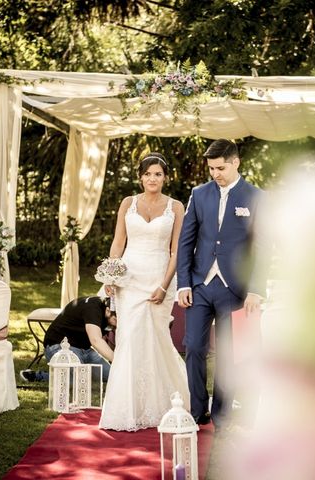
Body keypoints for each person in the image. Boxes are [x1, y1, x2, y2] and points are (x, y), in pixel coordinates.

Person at [177, 139, 266, 430]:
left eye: (221, 167)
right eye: (212, 168)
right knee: (193, 347)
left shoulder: (256, 197)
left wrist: (255, 288)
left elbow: (262, 247)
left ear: (235, 162)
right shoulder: (198, 194)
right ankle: (197, 409)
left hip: (235, 289)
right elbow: (186, 241)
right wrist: (183, 283)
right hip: (200, 284)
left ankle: (223, 414)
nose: (215, 173)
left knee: (230, 353)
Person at [99, 152, 190, 432]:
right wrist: (111, 274)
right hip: (130, 277)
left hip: (159, 276)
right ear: (140, 177)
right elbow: (118, 243)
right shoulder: (128, 203)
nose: (153, 179)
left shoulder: (176, 207)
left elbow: (177, 250)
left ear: (165, 178)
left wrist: (164, 285)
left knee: (157, 337)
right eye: (148, 174)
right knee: (129, 338)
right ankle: (127, 408)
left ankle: (165, 402)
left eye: (158, 174)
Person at [19, 295, 116, 382]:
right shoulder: (92, 308)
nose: (118, 323)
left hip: (85, 350)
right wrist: (117, 360)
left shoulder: (110, 312)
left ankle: (65, 373)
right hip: (60, 347)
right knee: (79, 380)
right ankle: (40, 376)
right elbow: (96, 340)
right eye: (116, 319)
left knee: (113, 376)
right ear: (108, 311)